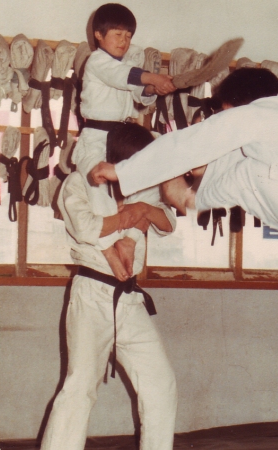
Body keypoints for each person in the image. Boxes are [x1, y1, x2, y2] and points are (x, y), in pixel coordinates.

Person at [90, 67, 278, 251]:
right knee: (250, 162)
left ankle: (190, 197)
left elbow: (189, 143)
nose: (224, 118)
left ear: (237, 103)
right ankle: (199, 182)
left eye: (224, 112)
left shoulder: (255, 112)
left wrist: (122, 171)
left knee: (247, 172)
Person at [40, 122, 177, 450]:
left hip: (129, 300)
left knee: (161, 383)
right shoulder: (78, 183)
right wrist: (129, 220)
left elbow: (168, 221)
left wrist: (141, 210)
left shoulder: (141, 189)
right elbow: (86, 227)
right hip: (92, 295)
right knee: (80, 388)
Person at [72, 3, 176, 265]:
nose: (124, 41)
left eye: (128, 36)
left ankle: (130, 240)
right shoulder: (96, 61)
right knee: (97, 191)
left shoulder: (129, 66)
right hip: (96, 138)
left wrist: (154, 88)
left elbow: (139, 92)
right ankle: (108, 248)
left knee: (145, 186)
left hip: (125, 138)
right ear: (98, 35)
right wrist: (152, 77)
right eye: (118, 34)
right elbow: (121, 76)